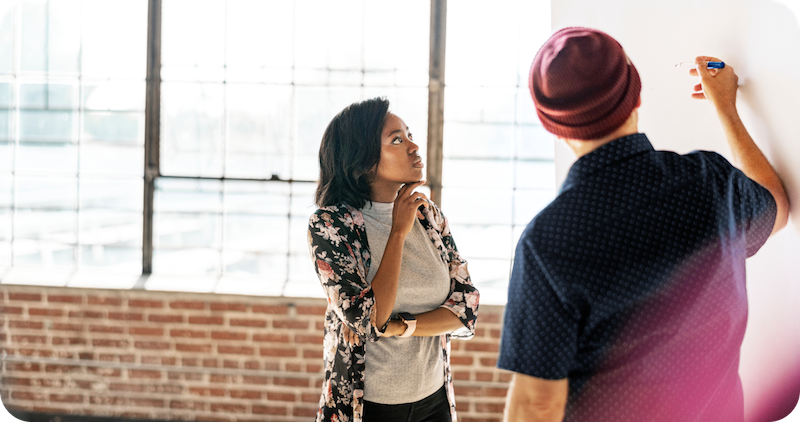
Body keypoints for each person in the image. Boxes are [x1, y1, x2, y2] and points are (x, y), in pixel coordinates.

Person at [497, 27, 789, 422]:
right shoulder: (711, 184)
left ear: (552, 124)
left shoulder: (545, 242)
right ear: (636, 94)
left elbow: (537, 404)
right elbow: (776, 205)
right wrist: (727, 109)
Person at [308, 97, 480, 422]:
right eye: (397, 140)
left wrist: (402, 326)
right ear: (364, 161)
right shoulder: (330, 226)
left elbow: (466, 306)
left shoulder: (429, 216)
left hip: (434, 399)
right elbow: (369, 319)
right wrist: (398, 232)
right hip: (370, 406)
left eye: (409, 134)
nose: (414, 147)